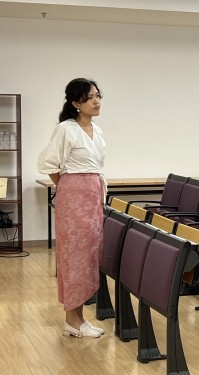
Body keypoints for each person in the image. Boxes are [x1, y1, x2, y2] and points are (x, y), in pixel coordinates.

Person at [38, 78, 106, 338]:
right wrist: (70, 189)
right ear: (76, 103)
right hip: (74, 199)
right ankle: (72, 320)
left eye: (98, 96)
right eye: (90, 97)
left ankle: (78, 318)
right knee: (74, 256)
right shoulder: (66, 129)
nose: (97, 101)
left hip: (92, 198)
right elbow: (51, 165)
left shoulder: (97, 130)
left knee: (89, 255)